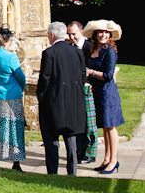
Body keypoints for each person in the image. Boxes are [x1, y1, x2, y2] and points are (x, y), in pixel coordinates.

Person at [37, 21, 86, 176]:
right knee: (70, 138)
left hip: (53, 101)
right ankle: (72, 171)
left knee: (52, 139)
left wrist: (41, 97)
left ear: (52, 35)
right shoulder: (77, 52)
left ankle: (53, 171)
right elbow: (82, 76)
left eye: (48, 34)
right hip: (73, 101)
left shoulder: (49, 53)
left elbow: (45, 79)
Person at [82, 19, 125, 174]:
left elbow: (108, 75)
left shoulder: (110, 51)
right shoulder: (94, 49)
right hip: (98, 92)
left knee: (110, 126)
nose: (103, 35)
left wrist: (91, 73)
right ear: (95, 34)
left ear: (110, 35)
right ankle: (106, 159)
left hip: (108, 93)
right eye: (100, 32)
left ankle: (114, 161)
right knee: (105, 128)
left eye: (106, 32)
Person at [0, 29, 26, 171]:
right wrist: (22, 88)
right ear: (5, 42)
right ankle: (16, 162)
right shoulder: (10, 57)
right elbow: (21, 77)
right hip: (11, 96)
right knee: (14, 128)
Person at [68, 21, 98, 165]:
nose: (71, 37)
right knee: (77, 122)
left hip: (88, 89)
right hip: (74, 90)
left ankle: (91, 153)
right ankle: (80, 152)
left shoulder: (90, 47)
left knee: (90, 124)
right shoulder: (69, 48)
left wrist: (90, 83)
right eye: (69, 34)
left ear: (80, 32)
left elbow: (95, 68)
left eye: (73, 34)